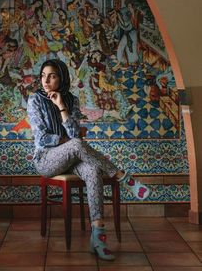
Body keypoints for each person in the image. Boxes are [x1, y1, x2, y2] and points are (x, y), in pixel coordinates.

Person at [27, 59, 150, 261]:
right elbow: (42, 138)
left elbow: (74, 132)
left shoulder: (71, 100)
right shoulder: (35, 100)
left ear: (62, 78)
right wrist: (67, 141)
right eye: (43, 75)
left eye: (52, 75)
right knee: (76, 145)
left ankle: (98, 238)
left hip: (71, 159)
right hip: (46, 159)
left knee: (93, 172)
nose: (46, 80)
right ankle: (122, 177)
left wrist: (60, 106)